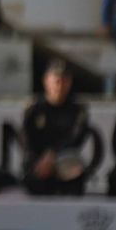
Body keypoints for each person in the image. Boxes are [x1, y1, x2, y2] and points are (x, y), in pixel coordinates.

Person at [21, 61, 92, 196]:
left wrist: (54, 156)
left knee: (74, 173)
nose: (60, 86)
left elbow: (76, 138)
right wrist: (42, 160)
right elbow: (27, 140)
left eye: (64, 81)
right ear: (46, 81)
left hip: (65, 162)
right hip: (39, 164)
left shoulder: (77, 111)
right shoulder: (34, 110)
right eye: (56, 81)